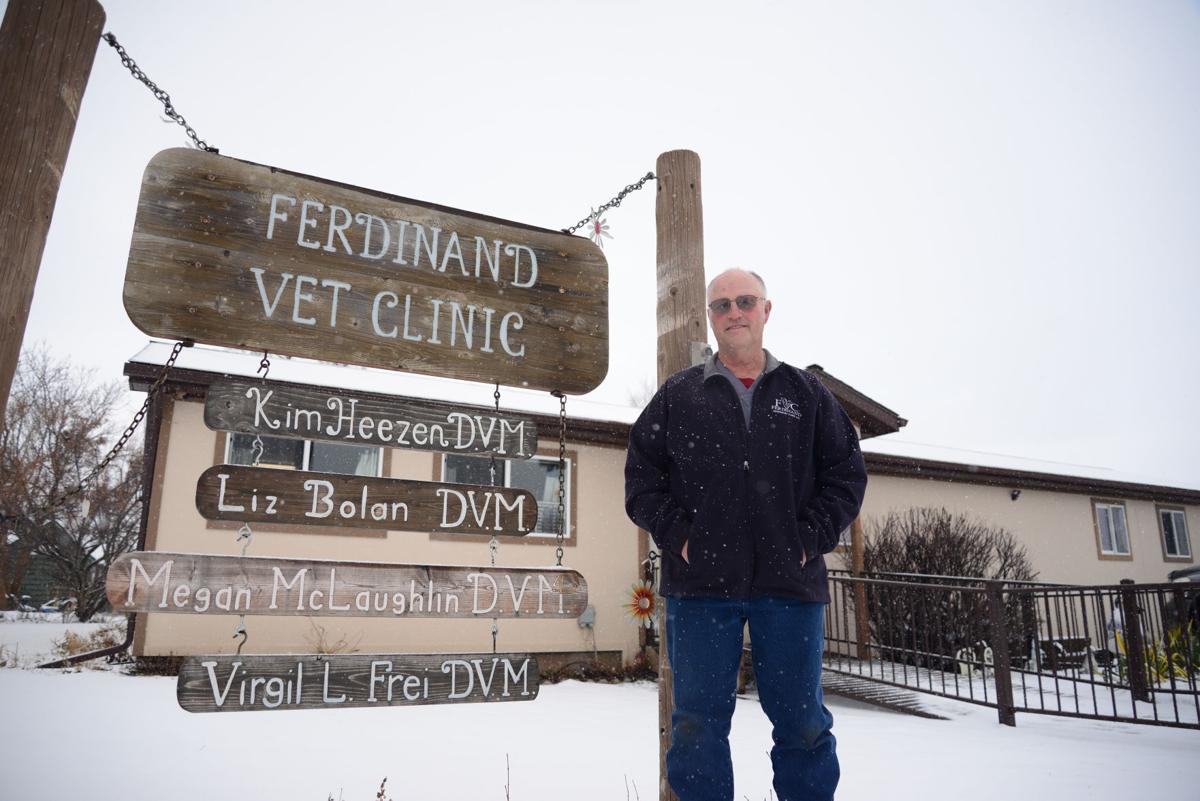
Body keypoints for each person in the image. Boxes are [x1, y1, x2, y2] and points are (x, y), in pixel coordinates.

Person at [624, 268, 867, 801]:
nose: (734, 312)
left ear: (765, 310)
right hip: (700, 590)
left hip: (790, 587)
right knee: (695, 727)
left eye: (745, 301)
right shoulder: (681, 394)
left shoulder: (806, 394)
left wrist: (809, 538)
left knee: (803, 727)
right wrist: (680, 537)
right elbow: (641, 482)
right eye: (721, 305)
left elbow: (846, 475)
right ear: (711, 318)